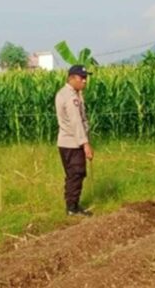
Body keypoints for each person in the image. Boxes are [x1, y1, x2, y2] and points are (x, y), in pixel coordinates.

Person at [55, 65, 94, 216]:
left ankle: (72, 204)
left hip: (66, 142)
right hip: (72, 142)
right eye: (81, 78)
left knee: (72, 174)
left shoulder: (67, 93)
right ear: (71, 78)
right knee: (76, 174)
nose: (85, 81)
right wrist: (86, 145)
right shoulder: (71, 97)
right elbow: (76, 122)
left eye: (86, 77)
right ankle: (72, 208)